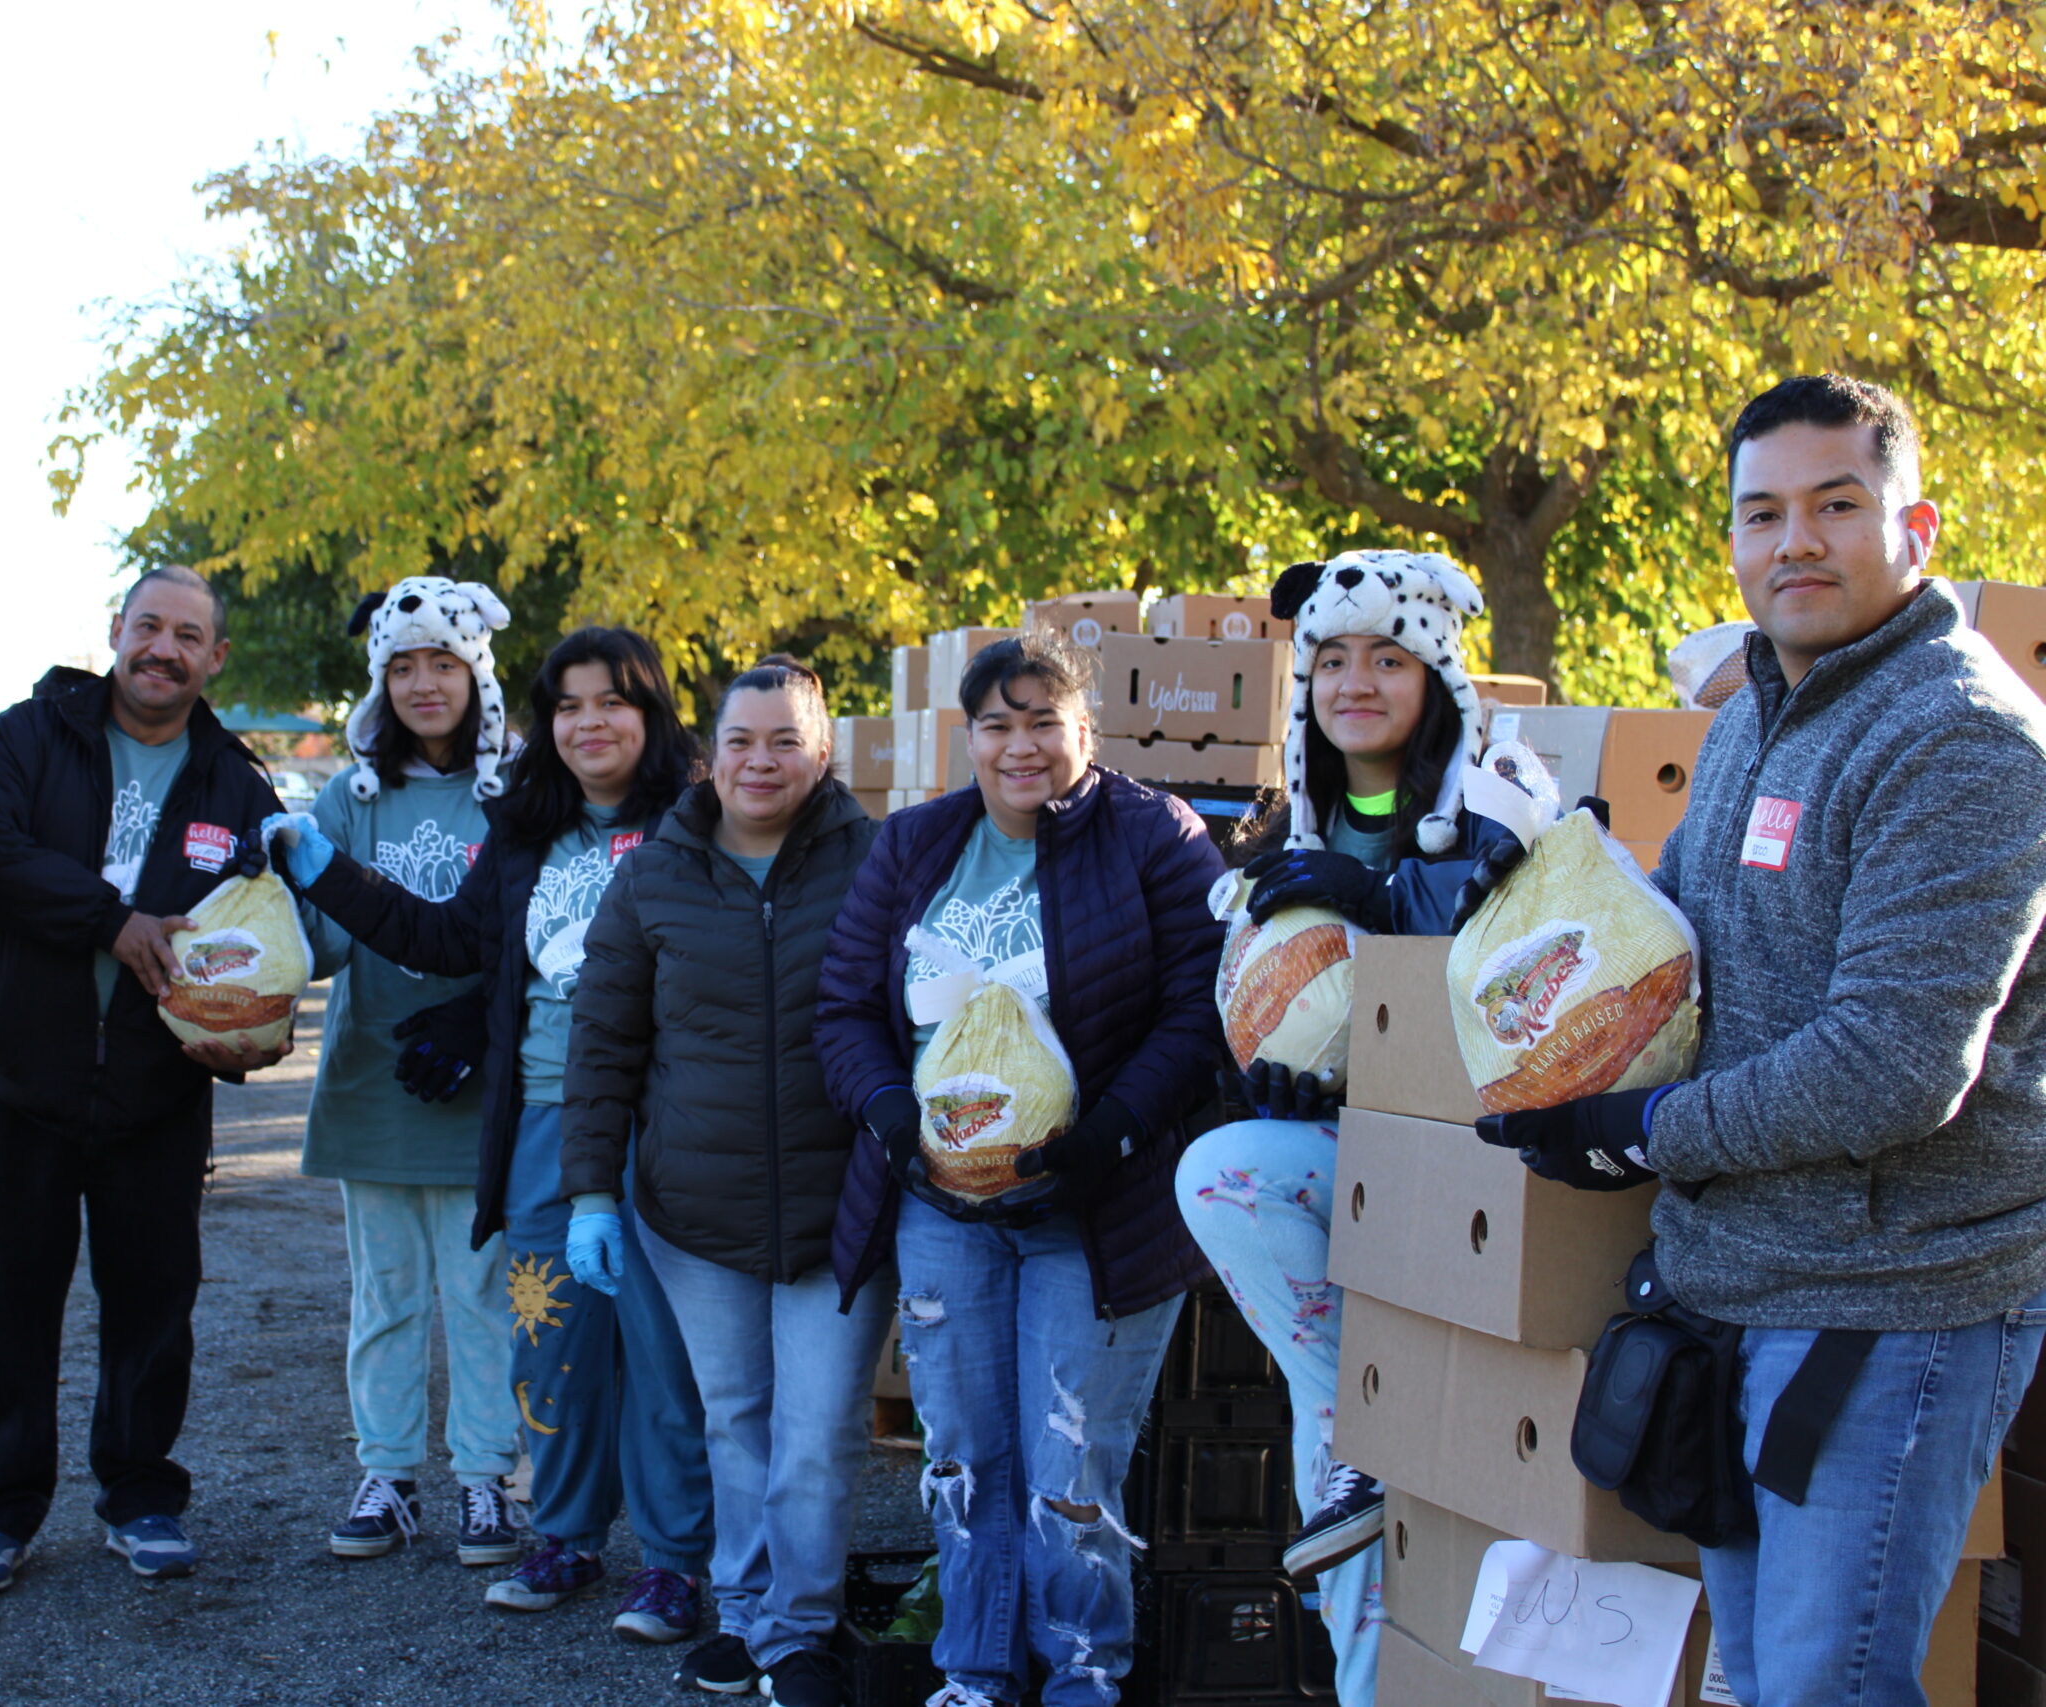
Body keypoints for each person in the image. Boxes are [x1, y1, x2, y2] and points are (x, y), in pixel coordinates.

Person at [1477, 375, 2046, 1707]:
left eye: (1836, 505)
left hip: (1889, 1298)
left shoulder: (1961, 738)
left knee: (1823, 1687)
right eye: (1763, 512)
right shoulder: (1752, 718)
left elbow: (1894, 1063)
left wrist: (1634, 1130)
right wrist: (1549, 958)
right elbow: (1682, 945)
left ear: (1920, 527)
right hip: (1736, 1277)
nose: (1795, 540)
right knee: (1754, 1682)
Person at [265, 627, 716, 1639]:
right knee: (548, 1339)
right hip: (546, 1127)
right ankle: (562, 1535)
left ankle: (676, 1563)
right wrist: (325, 868)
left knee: (661, 1354)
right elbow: (443, 941)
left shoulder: (701, 821)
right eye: (569, 705)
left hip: (668, 1130)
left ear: (650, 712)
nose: (589, 723)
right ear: (543, 722)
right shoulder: (522, 830)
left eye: (612, 702)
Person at [815, 629, 1226, 1707]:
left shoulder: (1154, 837)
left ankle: (1084, 1677)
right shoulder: (912, 847)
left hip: (1097, 1209)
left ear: (1084, 726)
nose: (1021, 745)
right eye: (998, 724)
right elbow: (845, 1009)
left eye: (1045, 720)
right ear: (970, 736)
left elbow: (1199, 1012)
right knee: (962, 1460)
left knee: (1069, 1475)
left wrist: (1107, 1139)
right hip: (939, 1206)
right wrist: (894, 1121)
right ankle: (975, 1671)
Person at [0, 564, 340, 1594]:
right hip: (17, 1078)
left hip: (157, 1092)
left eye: (186, 635)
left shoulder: (237, 788)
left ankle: (142, 1494)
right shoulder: (25, 739)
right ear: (116, 631)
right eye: (147, 626)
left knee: (154, 1302)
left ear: (215, 658)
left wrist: (253, 1033)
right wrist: (109, 924)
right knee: (5, 1305)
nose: (162, 649)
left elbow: (262, 935)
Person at [1168, 548, 1518, 1706]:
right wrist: (1268, 1084)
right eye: (1328, 660)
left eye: (1385, 656)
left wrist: (1389, 910)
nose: (1353, 680)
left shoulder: (1503, 804)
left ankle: (1351, 1433)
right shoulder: (1284, 835)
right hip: (1349, 1210)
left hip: (1473, 1195)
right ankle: (1348, 1435)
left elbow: (1525, 983)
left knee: (1464, 1548)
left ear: (1438, 678)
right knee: (1225, 1166)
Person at [561, 656, 884, 1705]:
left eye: (786, 739)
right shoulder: (654, 874)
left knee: (821, 1426)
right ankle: (745, 1617)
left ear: (823, 751)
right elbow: (601, 1047)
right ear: (711, 751)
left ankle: (801, 1627)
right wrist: (591, 1196)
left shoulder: (878, 863)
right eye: (742, 739)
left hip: (841, 1210)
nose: (761, 760)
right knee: (736, 1416)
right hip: (694, 1214)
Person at [303, 577, 526, 1568]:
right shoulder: (348, 798)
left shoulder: (522, 791)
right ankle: (388, 1473)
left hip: (485, 1082)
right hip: (373, 1075)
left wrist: (482, 1018)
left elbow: (538, 933)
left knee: (483, 1292)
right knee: (384, 1290)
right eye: (403, 667)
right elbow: (312, 940)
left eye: (442, 662)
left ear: (476, 671)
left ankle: (487, 1478)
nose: (423, 684)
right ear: (379, 681)